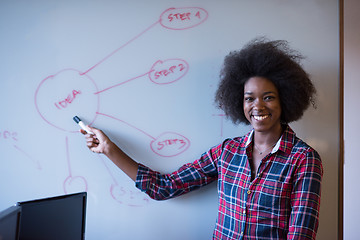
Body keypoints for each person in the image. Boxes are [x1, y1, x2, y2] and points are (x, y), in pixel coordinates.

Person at [81, 37, 323, 240]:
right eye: (249, 98)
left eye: (268, 97)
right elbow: (164, 187)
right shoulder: (227, 152)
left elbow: (301, 234)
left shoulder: (304, 159)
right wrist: (109, 148)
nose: (257, 106)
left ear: (286, 99)